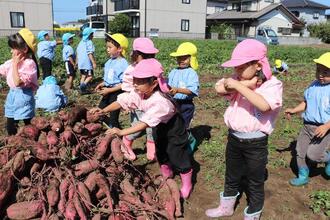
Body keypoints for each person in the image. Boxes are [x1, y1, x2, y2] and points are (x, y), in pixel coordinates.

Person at [90, 58, 193, 199]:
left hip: (173, 129)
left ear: (154, 83)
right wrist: (103, 111)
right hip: (159, 127)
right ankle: (167, 175)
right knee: (161, 152)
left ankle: (187, 183)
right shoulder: (141, 93)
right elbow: (121, 101)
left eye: (140, 81)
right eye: (135, 80)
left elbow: (143, 124)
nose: (135, 84)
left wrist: (121, 132)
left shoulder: (160, 101)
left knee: (176, 154)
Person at [205, 39, 283, 220]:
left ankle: (253, 214)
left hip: (255, 143)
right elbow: (218, 88)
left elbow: (264, 105)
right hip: (234, 139)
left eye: (241, 67)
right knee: (231, 175)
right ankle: (226, 208)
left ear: (257, 65)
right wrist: (242, 84)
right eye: (235, 67)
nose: (236, 71)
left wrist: (240, 86)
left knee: (255, 181)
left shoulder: (272, 84)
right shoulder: (237, 79)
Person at [285, 52, 330, 186]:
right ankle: (303, 175)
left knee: (314, 155)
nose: (320, 74)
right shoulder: (313, 86)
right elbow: (306, 102)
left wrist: (327, 126)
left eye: (326, 72)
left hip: (323, 128)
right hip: (307, 126)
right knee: (300, 152)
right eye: (318, 70)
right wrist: (294, 110)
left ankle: (328, 159)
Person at [120, 37, 159, 161]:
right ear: (136, 55)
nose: (148, 58)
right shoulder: (131, 69)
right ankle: (126, 141)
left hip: (152, 102)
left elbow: (159, 80)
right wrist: (127, 104)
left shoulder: (153, 66)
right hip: (137, 104)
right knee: (137, 128)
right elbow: (126, 87)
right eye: (145, 56)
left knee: (152, 127)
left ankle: (151, 149)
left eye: (150, 55)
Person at [0, 28, 39, 135]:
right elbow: (1, 69)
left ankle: (32, 140)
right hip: (12, 94)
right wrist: (13, 63)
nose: (11, 51)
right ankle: (13, 140)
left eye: (13, 48)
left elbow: (18, 82)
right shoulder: (11, 62)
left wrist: (15, 65)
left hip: (24, 96)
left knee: (28, 122)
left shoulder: (29, 64)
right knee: (10, 122)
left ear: (25, 49)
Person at [168, 42, 199, 153]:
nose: (181, 60)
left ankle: (190, 141)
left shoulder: (192, 73)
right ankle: (178, 145)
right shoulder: (173, 71)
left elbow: (192, 90)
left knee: (183, 127)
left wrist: (177, 90)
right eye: (179, 57)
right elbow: (168, 86)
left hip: (186, 105)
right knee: (174, 127)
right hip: (174, 103)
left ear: (191, 59)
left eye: (185, 58)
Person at [94, 33, 128, 128]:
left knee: (113, 117)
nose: (107, 49)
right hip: (107, 91)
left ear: (119, 49)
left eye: (110, 47)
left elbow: (124, 83)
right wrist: (102, 83)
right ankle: (107, 127)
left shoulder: (123, 64)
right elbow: (110, 79)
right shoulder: (109, 62)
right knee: (99, 111)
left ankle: (118, 133)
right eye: (107, 47)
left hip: (116, 92)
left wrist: (109, 90)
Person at [76, 27, 96, 94]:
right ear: (89, 35)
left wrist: (77, 62)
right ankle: (82, 87)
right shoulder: (89, 42)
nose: (93, 35)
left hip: (81, 64)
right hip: (87, 64)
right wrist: (93, 62)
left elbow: (77, 53)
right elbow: (90, 53)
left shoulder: (81, 42)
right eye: (92, 34)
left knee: (83, 76)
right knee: (90, 76)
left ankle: (81, 89)